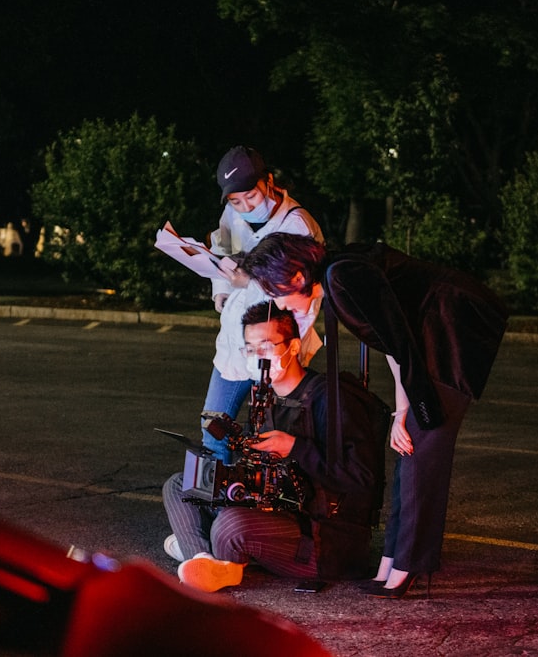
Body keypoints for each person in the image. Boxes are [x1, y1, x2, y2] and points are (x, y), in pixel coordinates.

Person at [241, 233, 508, 599]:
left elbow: (400, 345)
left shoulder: (342, 277)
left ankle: (407, 567)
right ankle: (391, 562)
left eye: (276, 290)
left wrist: (407, 411)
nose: (277, 303)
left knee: (421, 454)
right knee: (409, 452)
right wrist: (403, 411)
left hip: (452, 335)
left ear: (298, 278)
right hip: (428, 342)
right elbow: (391, 342)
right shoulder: (338, 275)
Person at [162, 302, 382, 592]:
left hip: (322, 537)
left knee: (229, 526)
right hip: (274, 509)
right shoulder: (265, 396)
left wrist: (295, 447)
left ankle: (204, 548)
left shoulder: (329, 399)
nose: (257, 357)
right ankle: (203, 558)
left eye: (265, 347)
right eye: (250, 349)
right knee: (182, 482)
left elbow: (363, 477)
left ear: (292, 348)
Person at [201, 146, 324, 464]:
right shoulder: (232, 213)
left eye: (250, 197)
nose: (243, 207)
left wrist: (250, 283)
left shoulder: (299, 226)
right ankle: (219, 508)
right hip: (232, 346)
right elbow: (221, 245)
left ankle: (253, 512)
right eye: (234, 201)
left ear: (268, 182)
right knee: (213, 432)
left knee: (264, 441)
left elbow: (305, 300)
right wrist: (221, 287)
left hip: (271, 351)